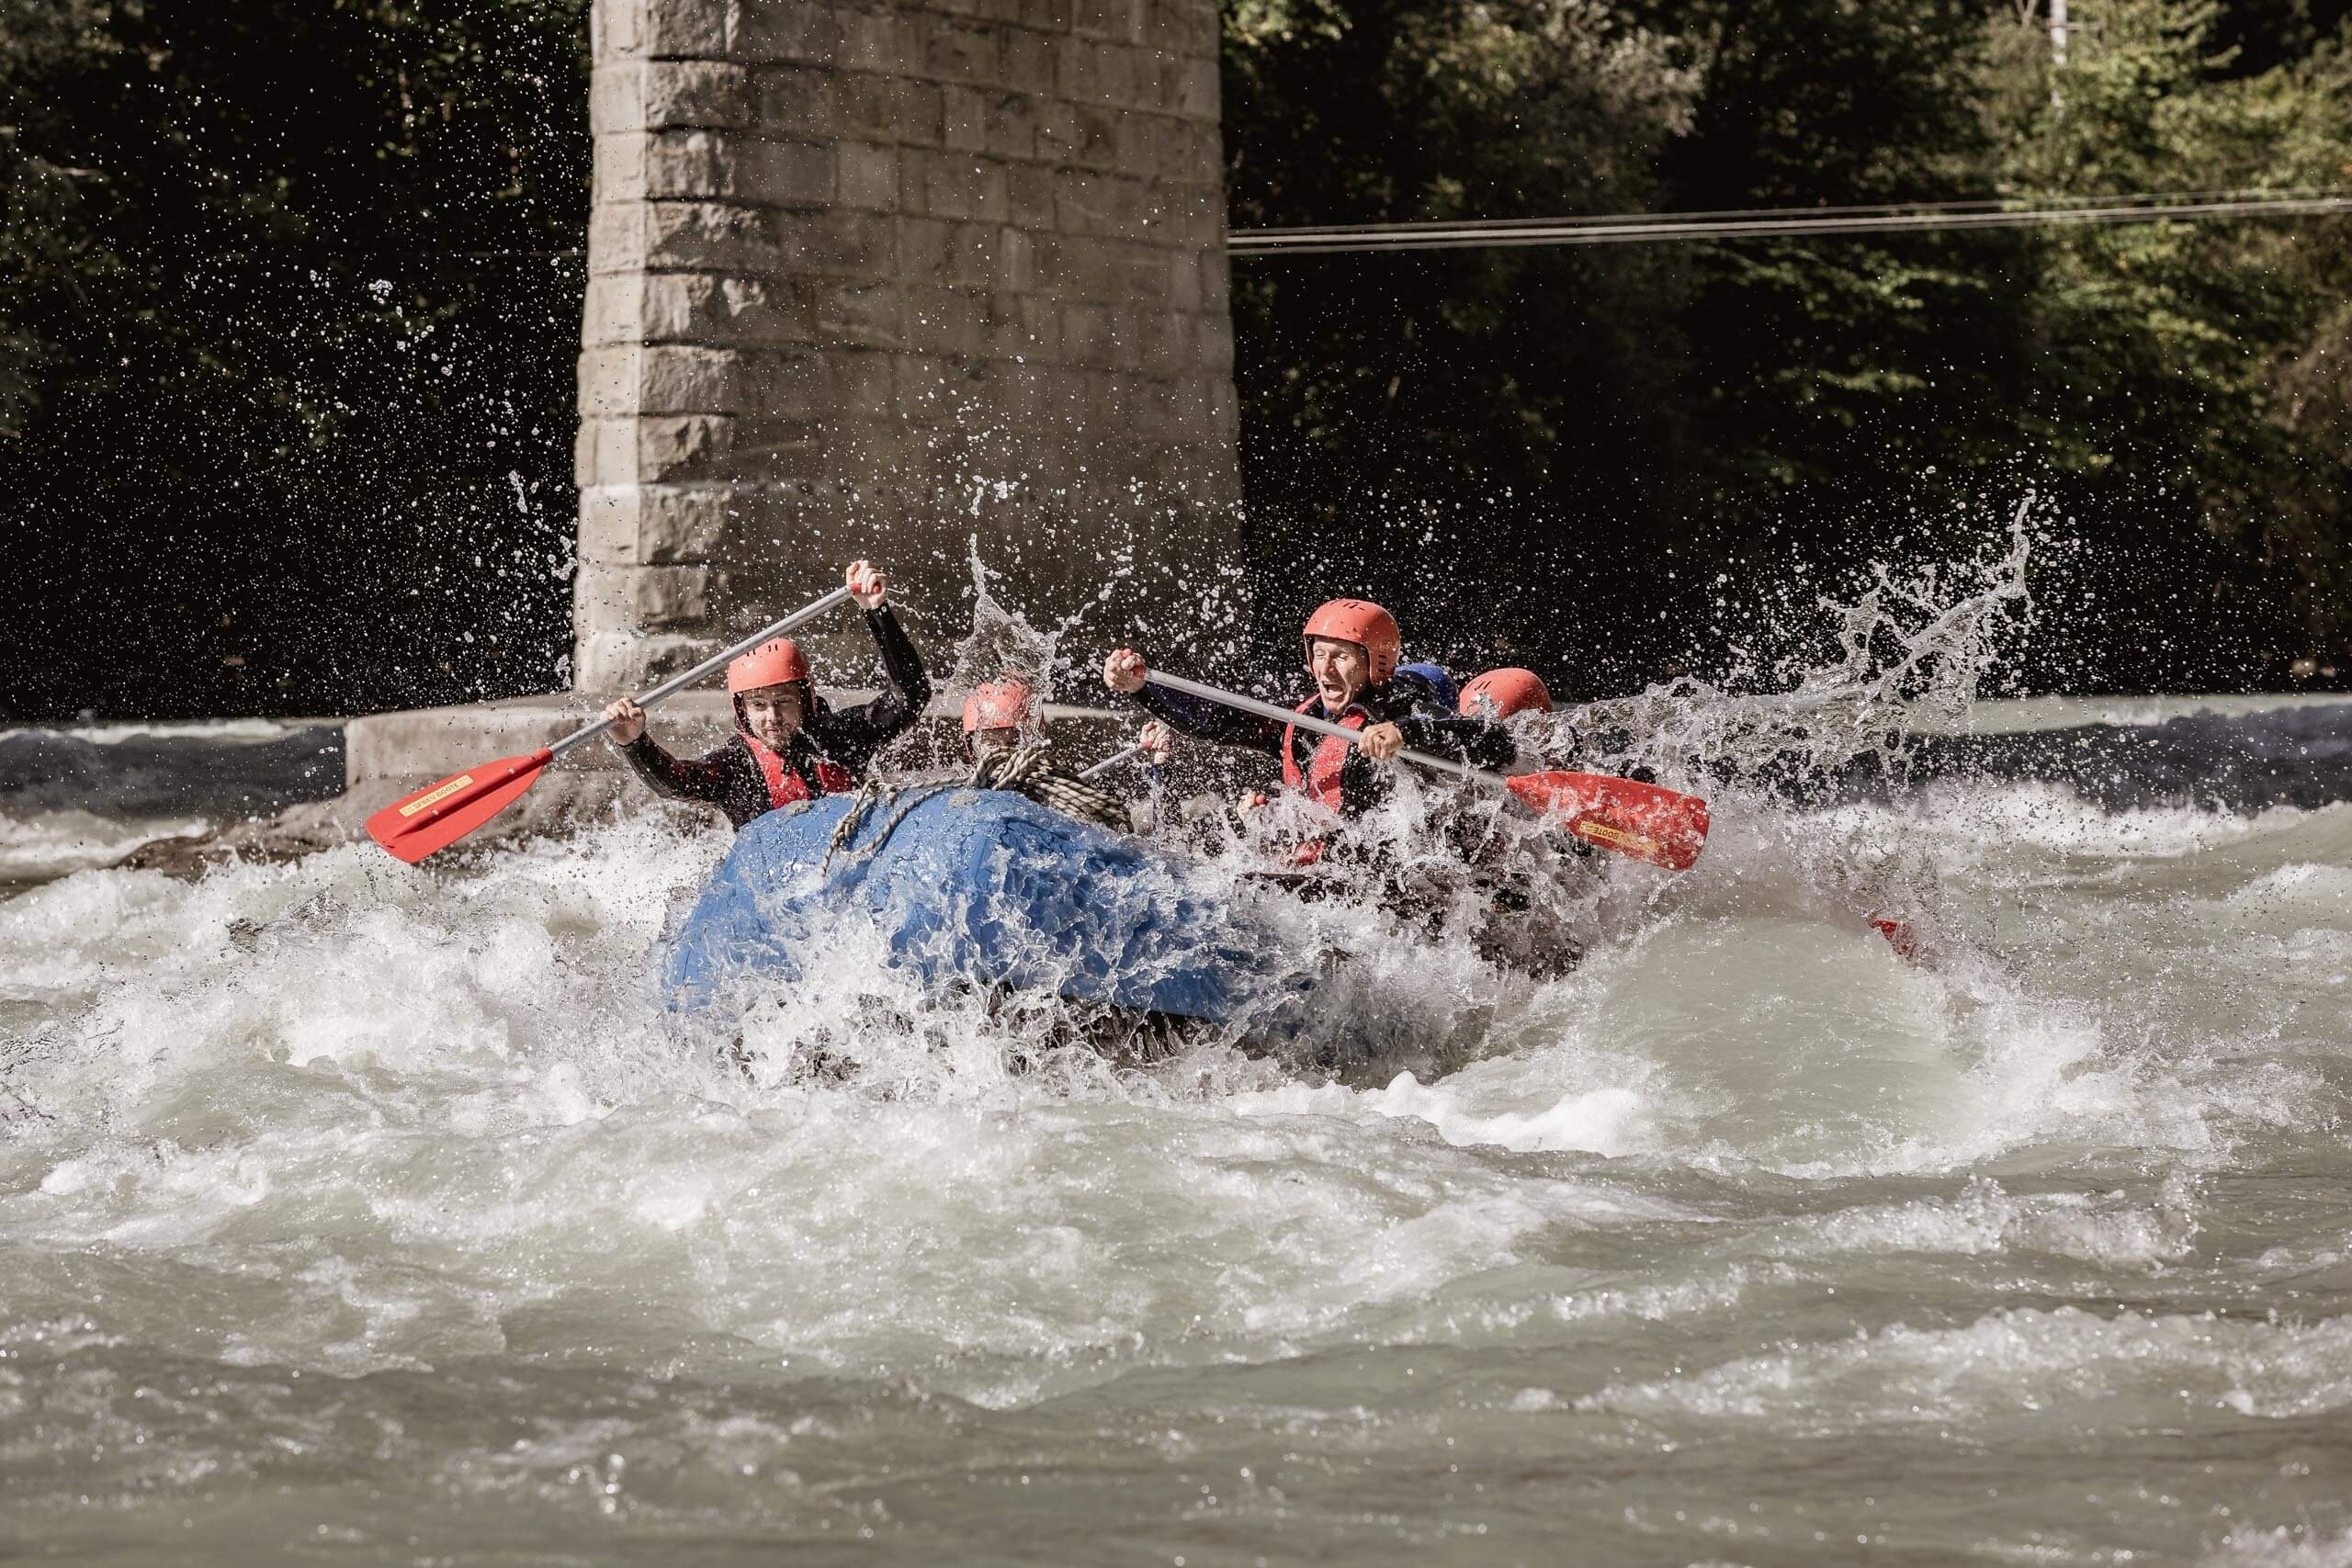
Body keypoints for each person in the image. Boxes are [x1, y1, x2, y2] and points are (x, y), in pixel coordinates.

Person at [1101, 598, 1515, 821]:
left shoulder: (1402, 707)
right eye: (1319, 653)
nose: (1324, 668)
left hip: (1383, 881)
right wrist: (1143, 688)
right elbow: (1220, 719)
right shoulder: (1308, 720)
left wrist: (1405, 732)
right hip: (1320, 861)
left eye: (1341, 656)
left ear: (1376, 662)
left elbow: (1492, 741)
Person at [602, 559, 930, 829]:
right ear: (742, 709)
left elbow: (910, 697)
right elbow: (675, 783)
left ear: (805, 700)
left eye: (783, 702)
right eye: (759, 705)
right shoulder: (736, 767)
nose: (771, 718)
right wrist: (634, 742)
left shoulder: (839, 737)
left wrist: (877, 611)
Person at [957, 673, 1170, 831]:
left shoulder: (1070, 801)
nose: (1004, 751)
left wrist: (1159, 771)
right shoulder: (957, 799)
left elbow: (1157, 851)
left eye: (1014, 739)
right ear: (971, 744)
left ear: (1035, 737)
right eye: (991, 742)